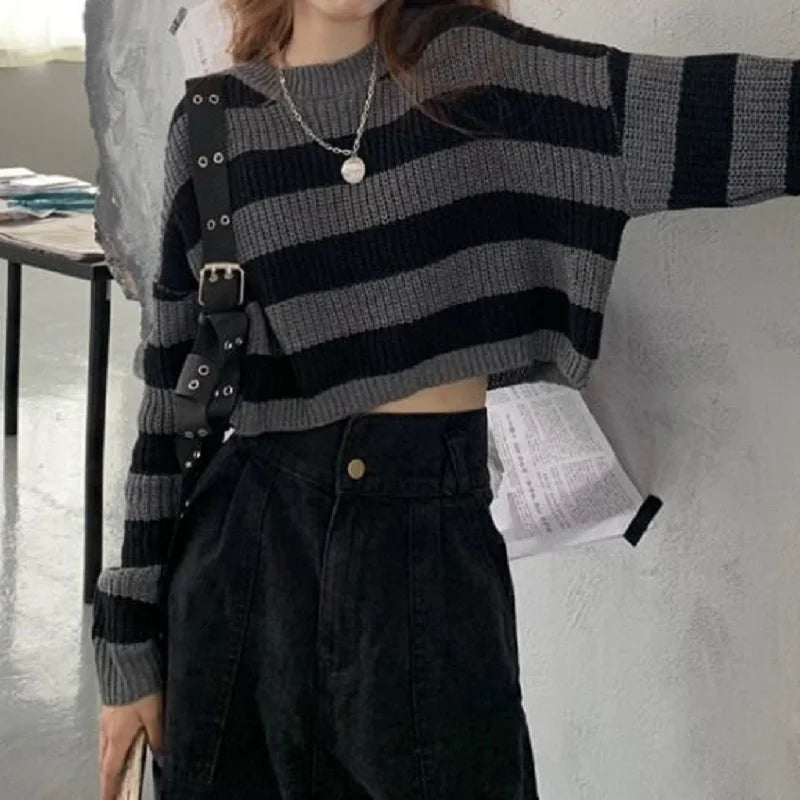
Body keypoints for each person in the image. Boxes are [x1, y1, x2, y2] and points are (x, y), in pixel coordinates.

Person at [94, 0, 799, 797]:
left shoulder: (482, 76)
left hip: (429, 565)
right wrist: (127, 644)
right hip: (245, 570)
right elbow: (173, 404)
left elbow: (721, 117)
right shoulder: (212, 127)